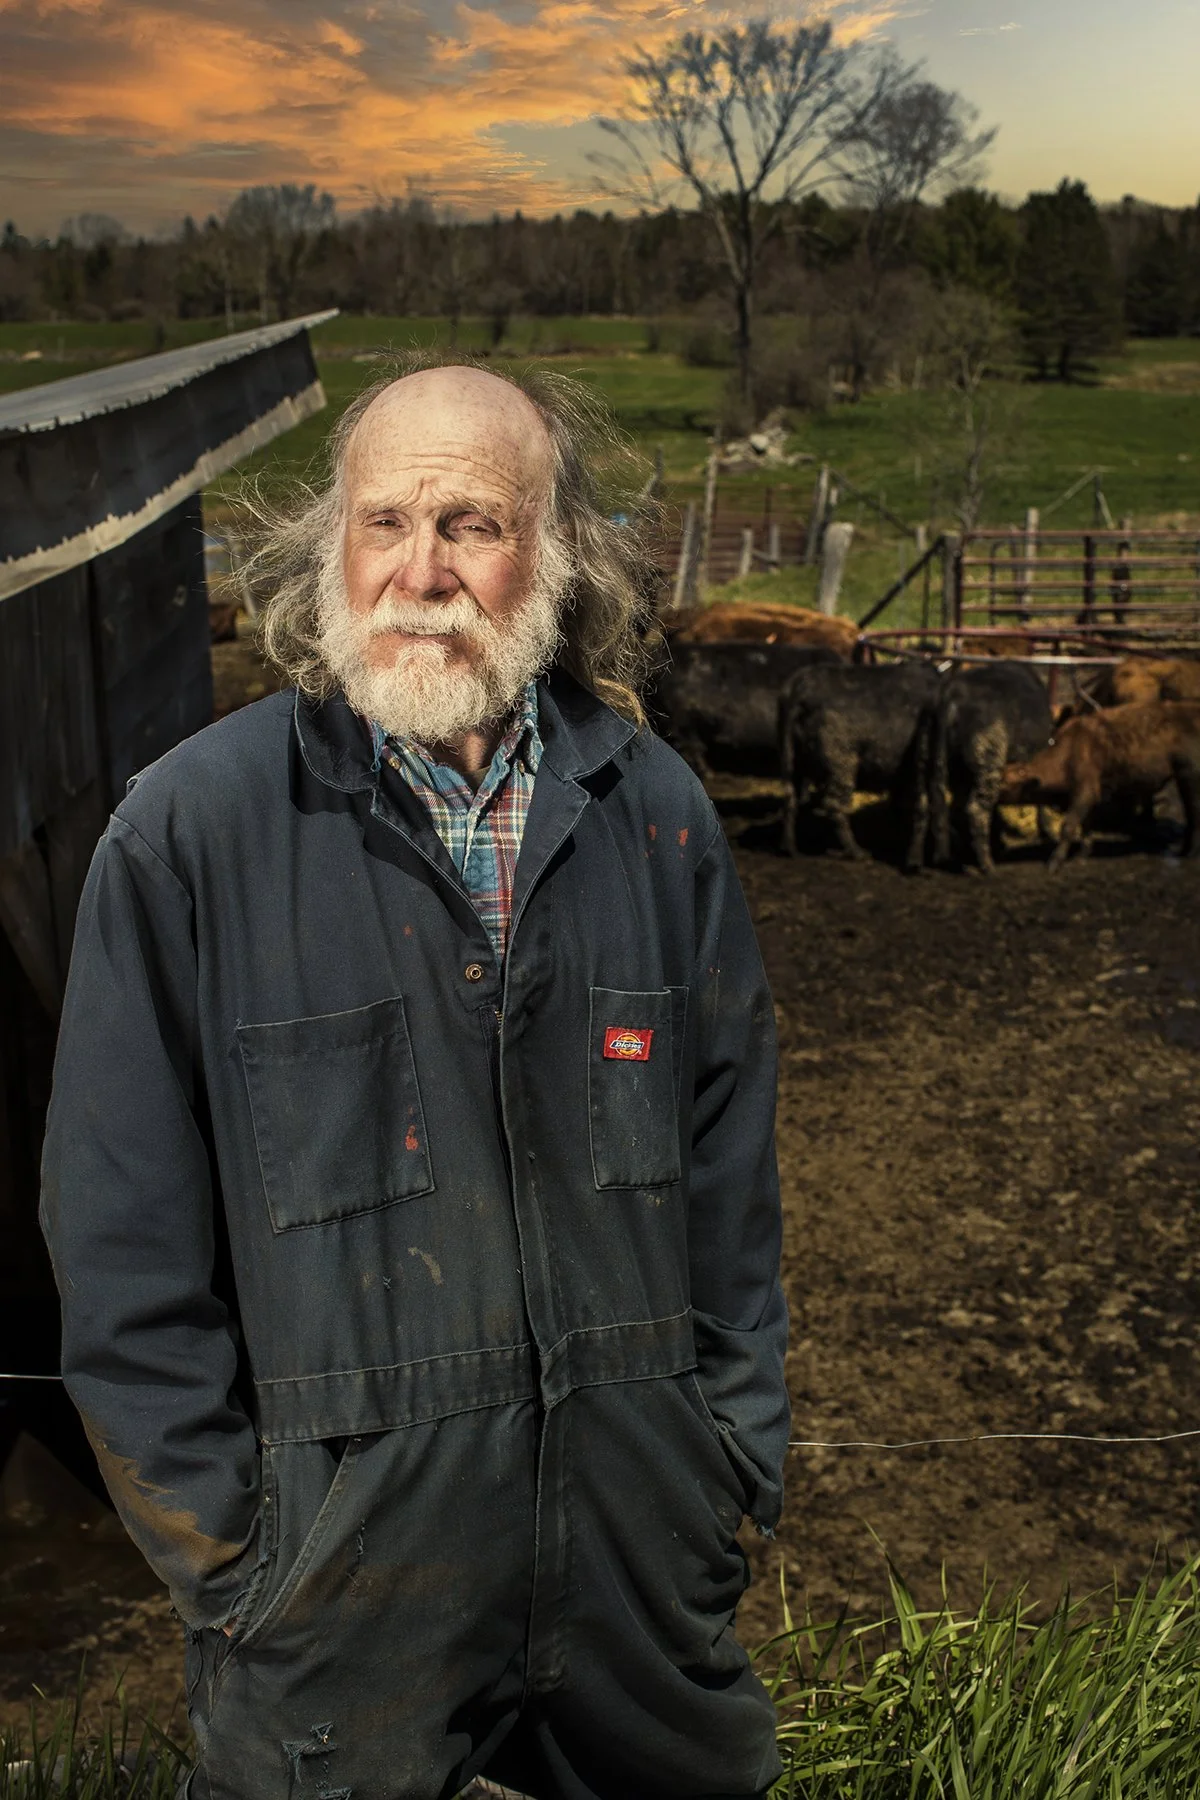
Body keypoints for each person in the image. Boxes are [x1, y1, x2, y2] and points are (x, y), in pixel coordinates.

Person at [40, 358, 789, 1800]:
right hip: (336, 1618)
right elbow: (121, 1248)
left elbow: (730, 1196)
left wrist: (726, 1469)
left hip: (640, 1583)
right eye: (384, 521)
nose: (422, 572)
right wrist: (245, 1567)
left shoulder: (654, 818)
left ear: (554, 555)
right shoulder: (192, 833)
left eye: (472, 525)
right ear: (332, 545)